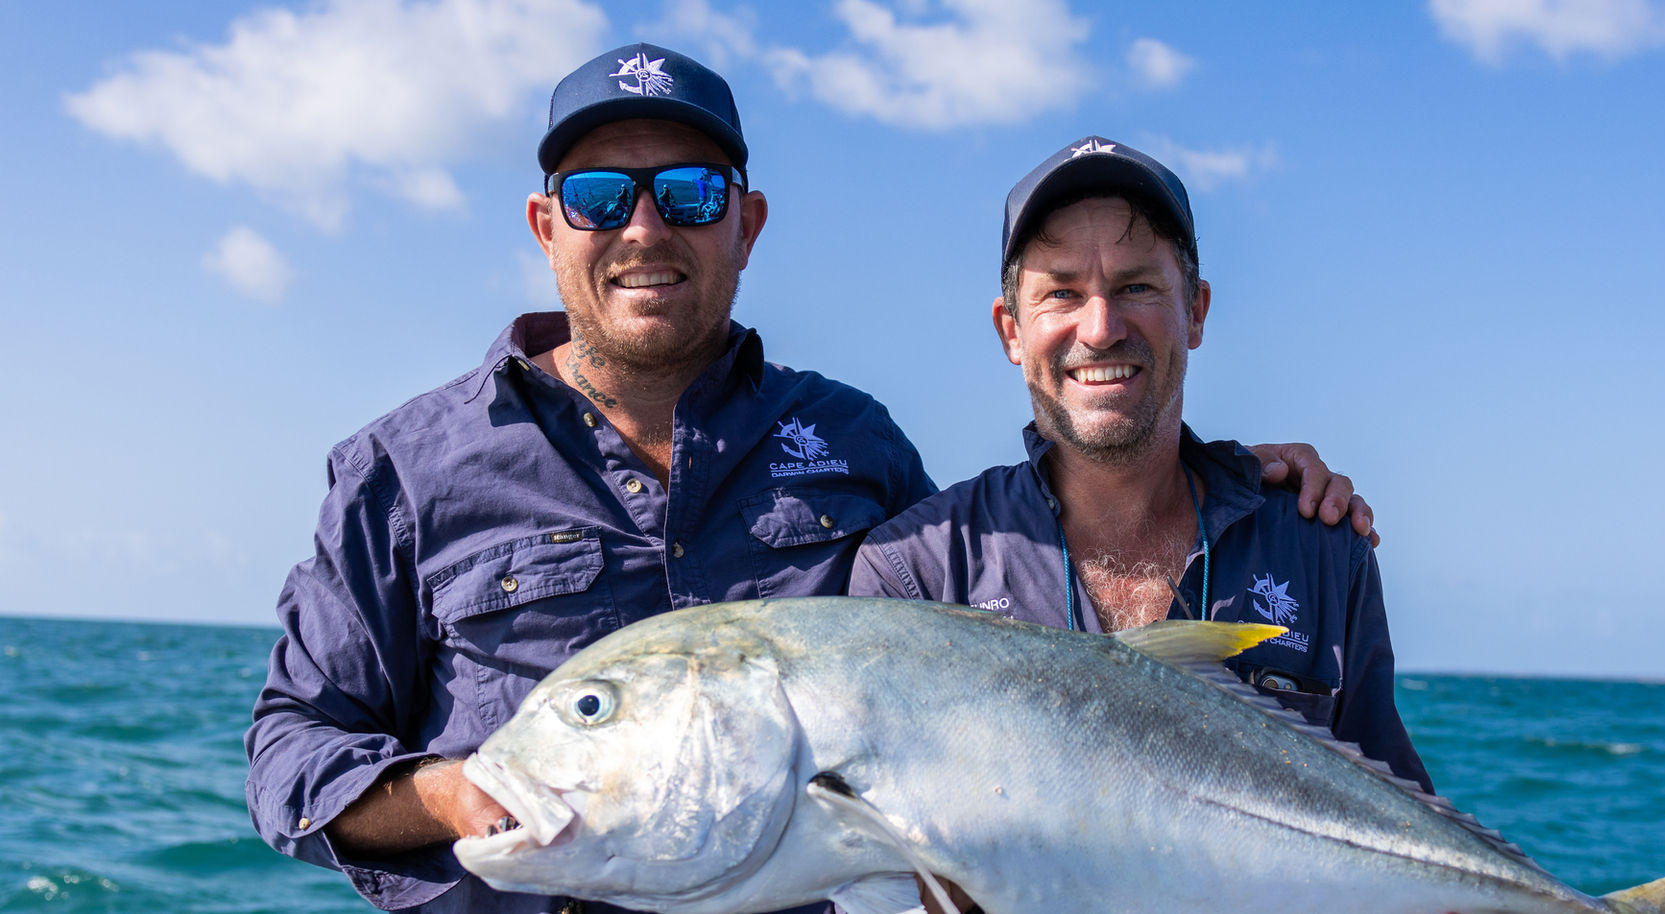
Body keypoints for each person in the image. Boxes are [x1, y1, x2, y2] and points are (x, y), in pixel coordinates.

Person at [244, 44, 1371, 914]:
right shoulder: (406, 467)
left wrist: (1231, 479)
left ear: (748, 223)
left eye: (687, 193)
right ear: (548, 225)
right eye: (599, 196)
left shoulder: (852, 440)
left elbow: (996, 640)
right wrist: (453, 789)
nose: (643, 226)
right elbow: (293, 745)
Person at [850, 137, 1430, 800]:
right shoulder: (917, 575)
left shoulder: (1322, 547)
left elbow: (1404, 823)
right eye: (1062, 292)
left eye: (1136, 287)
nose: (1100, 328)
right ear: (1010, 330)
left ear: (1196, 312)